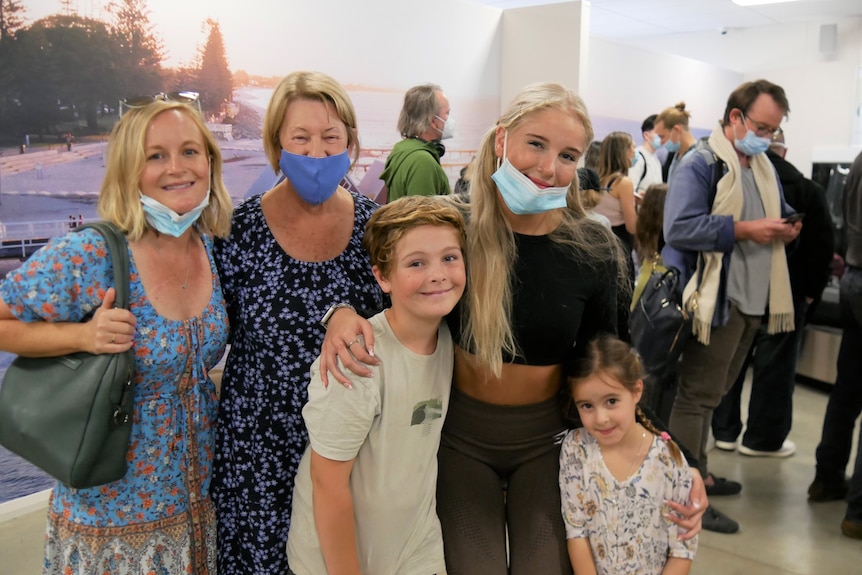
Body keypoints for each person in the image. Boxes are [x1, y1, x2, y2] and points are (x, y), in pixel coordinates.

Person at [319, 82, 706, 575]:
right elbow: (386, 283)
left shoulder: (594, 248)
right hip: (459, 439)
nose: (548, 167)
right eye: (536, 145)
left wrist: (678, 457)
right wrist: (340, 314)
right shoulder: (453, 228)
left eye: (568, 155)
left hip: (549, 444)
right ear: (502, 140)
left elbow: (613, 366)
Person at [0, 96, 234, 573]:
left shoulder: (210, 247)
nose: (177, 168)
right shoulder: (93, 254)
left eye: (191, 151)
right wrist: (82, 337)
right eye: (156, 156)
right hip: (110, 517)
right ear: (131, 170)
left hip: (197, 508)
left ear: (209, 160)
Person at [211, 71, 386, 575]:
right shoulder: (238, 233)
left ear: (351, 142)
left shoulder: (376, 231)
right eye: (301, 138)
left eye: (331, 137)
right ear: (277, 144)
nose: (316, 152)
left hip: (353, 452)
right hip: (258, 459)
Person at [286, 196, 466, 575]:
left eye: (450, 257)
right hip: (337, 559)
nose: (438, 274)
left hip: (414, 547)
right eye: (416, 263)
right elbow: (327, 483)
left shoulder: (451, 339)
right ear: (382, 277)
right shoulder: (357, 359)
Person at [662, 79, 801, 534]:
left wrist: (782, 228)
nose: (767, 136)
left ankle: (698, 471)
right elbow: (679, 228)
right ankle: (686, 490)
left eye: (774, 130)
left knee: (716, 394)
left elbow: (769, 216)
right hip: (716, 300)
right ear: (735, 117)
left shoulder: (761, 165)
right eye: (761, 126)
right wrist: (747, 230)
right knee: (698, 395)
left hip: (752, 299)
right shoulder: (701, 162)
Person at [712, 131, 834, 458]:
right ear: (785, 150)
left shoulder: (735, 182)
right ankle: (763, 440)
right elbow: (823, 248)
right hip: (786, 297)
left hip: (738, 288)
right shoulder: (809, 191)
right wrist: (811, 294)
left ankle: (724, 432)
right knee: (775, 369)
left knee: (730, 363)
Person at [560, 335, 697, 575]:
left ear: (636, 391)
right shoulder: (575, 450)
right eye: (587, 406)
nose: (601, 418)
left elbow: (682, 550)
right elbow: (576, 532)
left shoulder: (669, 460)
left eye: (611, 401)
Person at [809, 150, 862, 540]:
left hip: (854, 283)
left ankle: (826, 479)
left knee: (847, 391)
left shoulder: (859, 160)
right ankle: (858, 513)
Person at [380, 83, 453, 202]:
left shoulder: (402, 149)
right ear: (433, 121)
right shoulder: (422, 161)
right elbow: (424, 218)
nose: (450, 120)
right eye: (447, 113)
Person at [594, 131, 638, 272]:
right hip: (619, 245)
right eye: (633, 148)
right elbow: (632, 227)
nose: (635, 153)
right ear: (624, 152)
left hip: (599, 243)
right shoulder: (623, 182)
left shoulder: (598, 178)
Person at [654, 102, 698, 183]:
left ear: (676, 130)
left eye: (662, 137)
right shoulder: (677, 155)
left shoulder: (695, 160)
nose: (661, 142)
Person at [629, 114, 664, 199]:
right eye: (659, 135)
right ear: (646, 135)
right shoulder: (638, 157)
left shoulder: (656, 159)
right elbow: (630, 191)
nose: (663, 138)